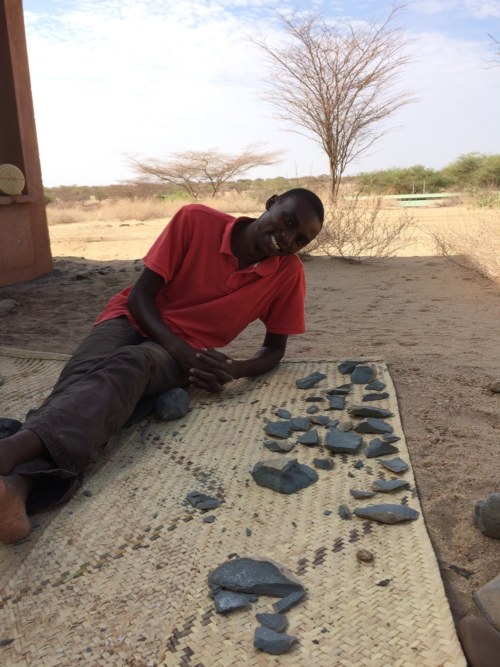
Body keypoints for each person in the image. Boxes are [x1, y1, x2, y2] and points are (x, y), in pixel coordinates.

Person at [0, 188, 324, 543]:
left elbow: (274, 348)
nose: (287, 239)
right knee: (81, 381)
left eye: (300, 239)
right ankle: (17, 488)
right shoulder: (195, 221)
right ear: (272, 203)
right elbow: (140, 297)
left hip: (184, 355)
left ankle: (12, 457)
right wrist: (178, 347)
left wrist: (233, 368)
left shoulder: (287, 273)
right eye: (287, 221)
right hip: (131, 318)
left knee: (131, 365)